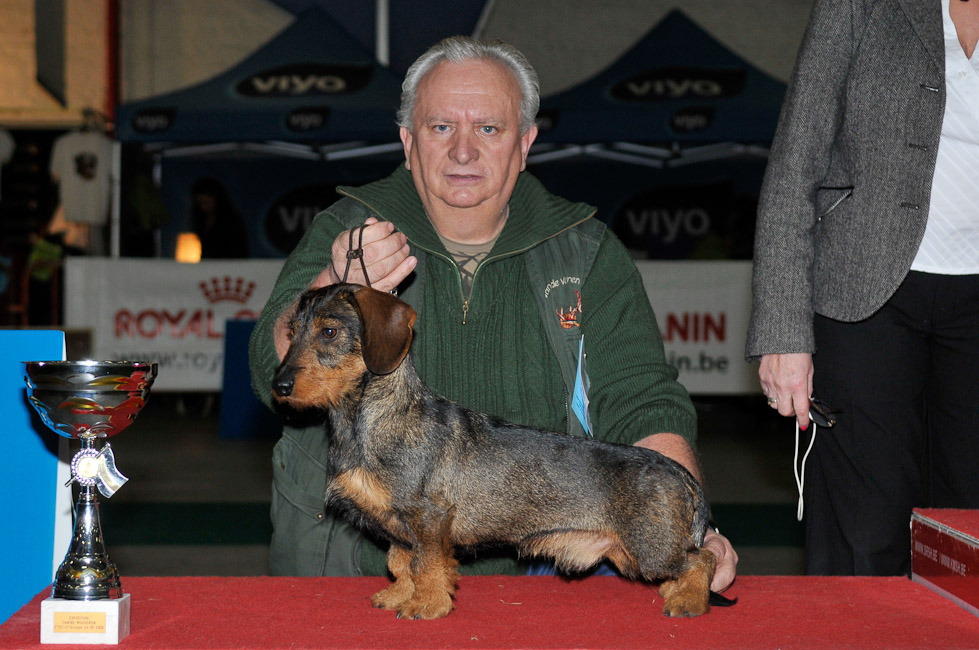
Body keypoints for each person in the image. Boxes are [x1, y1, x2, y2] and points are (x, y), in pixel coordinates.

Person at [249, 36, 736, 592]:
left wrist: (687, 529)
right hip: (345, 566)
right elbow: (269, 367)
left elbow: (641, 398)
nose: (462, 151)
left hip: (541, 572)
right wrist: (331, 286)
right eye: (439, 128)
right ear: (407, 141)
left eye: (488, 128)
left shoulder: (586, 250)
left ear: (524, 142)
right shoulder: (348, 225)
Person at [746, 0, 979, 577]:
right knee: (864, 536)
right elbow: (795, 161)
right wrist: (783, 329)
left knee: (971, 539)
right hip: (863, 296)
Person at [190, 177, 249, 259]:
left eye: (206, 202)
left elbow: (239, 250)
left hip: (230, 266)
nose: (203, 207)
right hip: (208, 266)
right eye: (200, 204)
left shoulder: (232, 221)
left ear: (216, 199)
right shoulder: (200, 219)